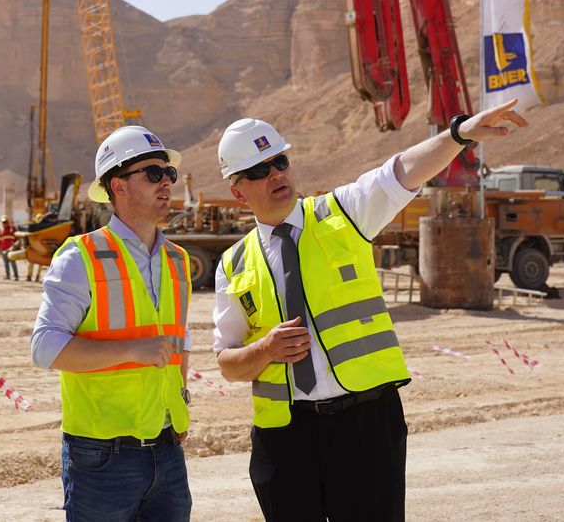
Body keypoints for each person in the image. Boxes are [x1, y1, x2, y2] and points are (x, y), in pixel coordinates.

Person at [213, 101, 527, 521]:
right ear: (237, 190)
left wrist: (459, 134)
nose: (275, 175)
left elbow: (401, 171)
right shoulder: (233, 265)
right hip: (285, 437)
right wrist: (265, 350)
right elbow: (229, 364)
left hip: (365, 425)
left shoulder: (343, 213)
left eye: (279, 161)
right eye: (257, 171)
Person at [32, 125, 194, 521]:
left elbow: (179, 341)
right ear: (117, 186)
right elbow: (44, 348)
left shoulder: (177, 259)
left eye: (168, 174)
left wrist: (181, 402)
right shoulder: (80, 256)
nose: (166, 183)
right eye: (153, 174)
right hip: (102, 455)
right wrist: (130, 350)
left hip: (167, 447)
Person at [0, 216, 19, 280]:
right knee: (6, 263)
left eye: (5, 222)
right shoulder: (2, 230)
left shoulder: (13, 229)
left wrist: (15, 246)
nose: (4, 223)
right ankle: (8, 275)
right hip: (3, 249)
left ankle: (16, 276)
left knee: (13, 263)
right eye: (3, 222)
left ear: (8, 222)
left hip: (11, 249)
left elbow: (17, 238)